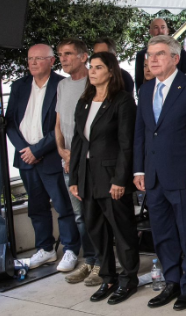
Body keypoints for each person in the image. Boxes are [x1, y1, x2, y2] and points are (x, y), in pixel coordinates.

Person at [134, 35, 186, 310]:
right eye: (149, 55)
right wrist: (139, 169)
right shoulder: (144, 90)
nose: (152, 59)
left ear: (176, 58)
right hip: (153, 177)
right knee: (163, 234)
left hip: (183, 175)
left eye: (159, 54)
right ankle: (172, 281)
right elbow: (141, 133)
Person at [67, 52, 140, 304]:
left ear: (111, 71)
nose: (92, 71)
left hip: (111, 177)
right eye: (91, 67)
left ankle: (129, 279)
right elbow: (78, 140)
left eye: (98, 67)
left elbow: (126, 144)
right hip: (87, 176)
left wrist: (120, 179)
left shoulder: (122, 100)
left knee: (122, 230)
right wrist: (74, 177)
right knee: (96, 230)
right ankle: (108, 277)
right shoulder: (85, 99)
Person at [8, 44, 81, 271]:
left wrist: (37, 150)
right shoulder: (19, 86)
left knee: (62, 204)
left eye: (38, 59)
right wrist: (25, 150)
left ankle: (70, 248)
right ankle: (45, 249)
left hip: (49, 156)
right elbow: (10, 123)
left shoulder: (61, 84)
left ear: (51, 61)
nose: (32, 63)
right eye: (30, 59)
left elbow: (63, 125)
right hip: (25, 158)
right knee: (36, 206)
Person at [54, 39, 100, 285]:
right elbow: (59, 123)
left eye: (69, 54)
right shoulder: (61, 86)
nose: (63, 58)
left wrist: (79, 155)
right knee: (79, 214)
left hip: (91, 160)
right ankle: (89, 260)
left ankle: (102, 263)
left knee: (96, 213)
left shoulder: (94, 82)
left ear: (84, 57)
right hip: (69, 160)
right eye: (61, 54)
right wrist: (62, 151)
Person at [135, 18, 186, 90]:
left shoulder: (180, 53)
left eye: (163, 27)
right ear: (150, 31)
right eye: (156, 28)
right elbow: (139, 82)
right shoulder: (141, 55)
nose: (160, 31)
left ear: (167, 31)